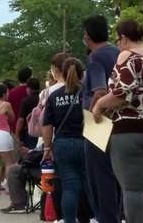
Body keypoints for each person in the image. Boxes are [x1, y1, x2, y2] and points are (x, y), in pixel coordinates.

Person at [93, 19, 143, 223]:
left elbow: (121, 93)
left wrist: (99, 105)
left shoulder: (127, 55)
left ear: (123, 38)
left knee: (132, 189)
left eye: (117, 39)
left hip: (127, 130)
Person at [43, 57, 94, 223]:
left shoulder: (54, 96)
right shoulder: (89, 93)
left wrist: (47, 149)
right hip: (85, 143)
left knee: (69, 188)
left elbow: (47, 126)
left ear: (62, 73)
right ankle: (100, 217)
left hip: (62, 145)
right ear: (81, 73)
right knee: (91, 188)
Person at [82, 14, 121, 223]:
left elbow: (99, 91)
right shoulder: (120, 53)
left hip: (99, 121)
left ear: (87, 36)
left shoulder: (95, 57)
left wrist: (90, 113)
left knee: (99, 177)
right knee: (118, 175)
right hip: (120, 121)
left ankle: (107, 218)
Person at [15, 78, 41, 150]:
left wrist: (17, 135)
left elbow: (20, 120)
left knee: (31, 154)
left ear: (29, 89)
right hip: (43, 130)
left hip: (29, 132)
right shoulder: (44, 99)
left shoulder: (25, 101)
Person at [8, 66, 32, 134]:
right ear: (29, 78)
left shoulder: (11, 93)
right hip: (31, 127)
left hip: (14, 127)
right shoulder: (32, 92)